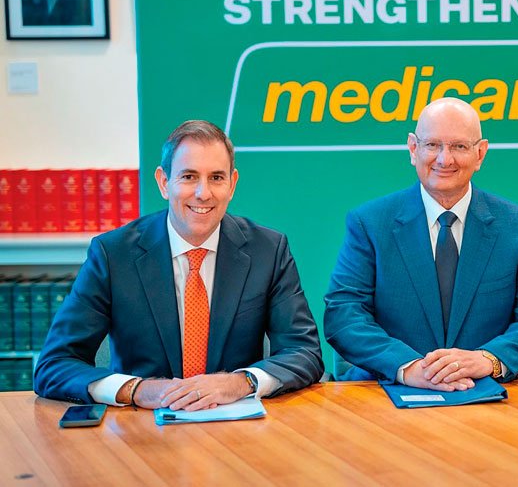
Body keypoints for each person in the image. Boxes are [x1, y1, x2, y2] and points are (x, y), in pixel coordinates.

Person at [34, 120, 323, 410]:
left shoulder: (268, 251)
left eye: (217, 178)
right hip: (142, 428)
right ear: (163, 182)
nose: (203, 193)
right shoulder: (113, 254)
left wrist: (242, 382)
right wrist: (136, 390)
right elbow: (55, 365)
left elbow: (304, 351)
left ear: (232, 184)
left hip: (238, 428)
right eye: (188, 177)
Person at [324, 97, 518, 391]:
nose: (444, 159)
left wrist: (487, 360)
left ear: (480, 154)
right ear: (413, 149)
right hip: (389, 390)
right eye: (432, 145)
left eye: (459, 146)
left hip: (488, 392)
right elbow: (344, 313)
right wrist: (409, 368)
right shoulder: (369, 223)